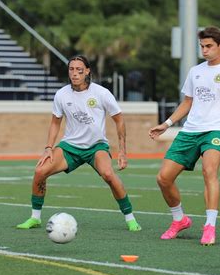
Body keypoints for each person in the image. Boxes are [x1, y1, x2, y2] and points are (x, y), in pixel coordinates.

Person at [148, 26, 220, 246]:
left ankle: (210, 226)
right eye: (202, 46)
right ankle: (180, 220)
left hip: (216, 130)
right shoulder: (195, 71)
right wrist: (166, 124)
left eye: (209, 46)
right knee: (163, 178)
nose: (204, 50)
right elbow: (187, 102)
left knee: (209, 170)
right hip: (190, 131)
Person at [16, 55, 141, 232]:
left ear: (87, 71)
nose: (75, 74)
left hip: (96, 147)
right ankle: (35, 218)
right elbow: (55, 123)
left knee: (108, 175)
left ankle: (130, 218)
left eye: (79, 70)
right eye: (71, 69)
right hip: (70, 147)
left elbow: (119, 120)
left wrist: (122, 151)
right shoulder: (61, 94)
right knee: (40, 171)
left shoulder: (101, 93)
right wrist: (48, 148)